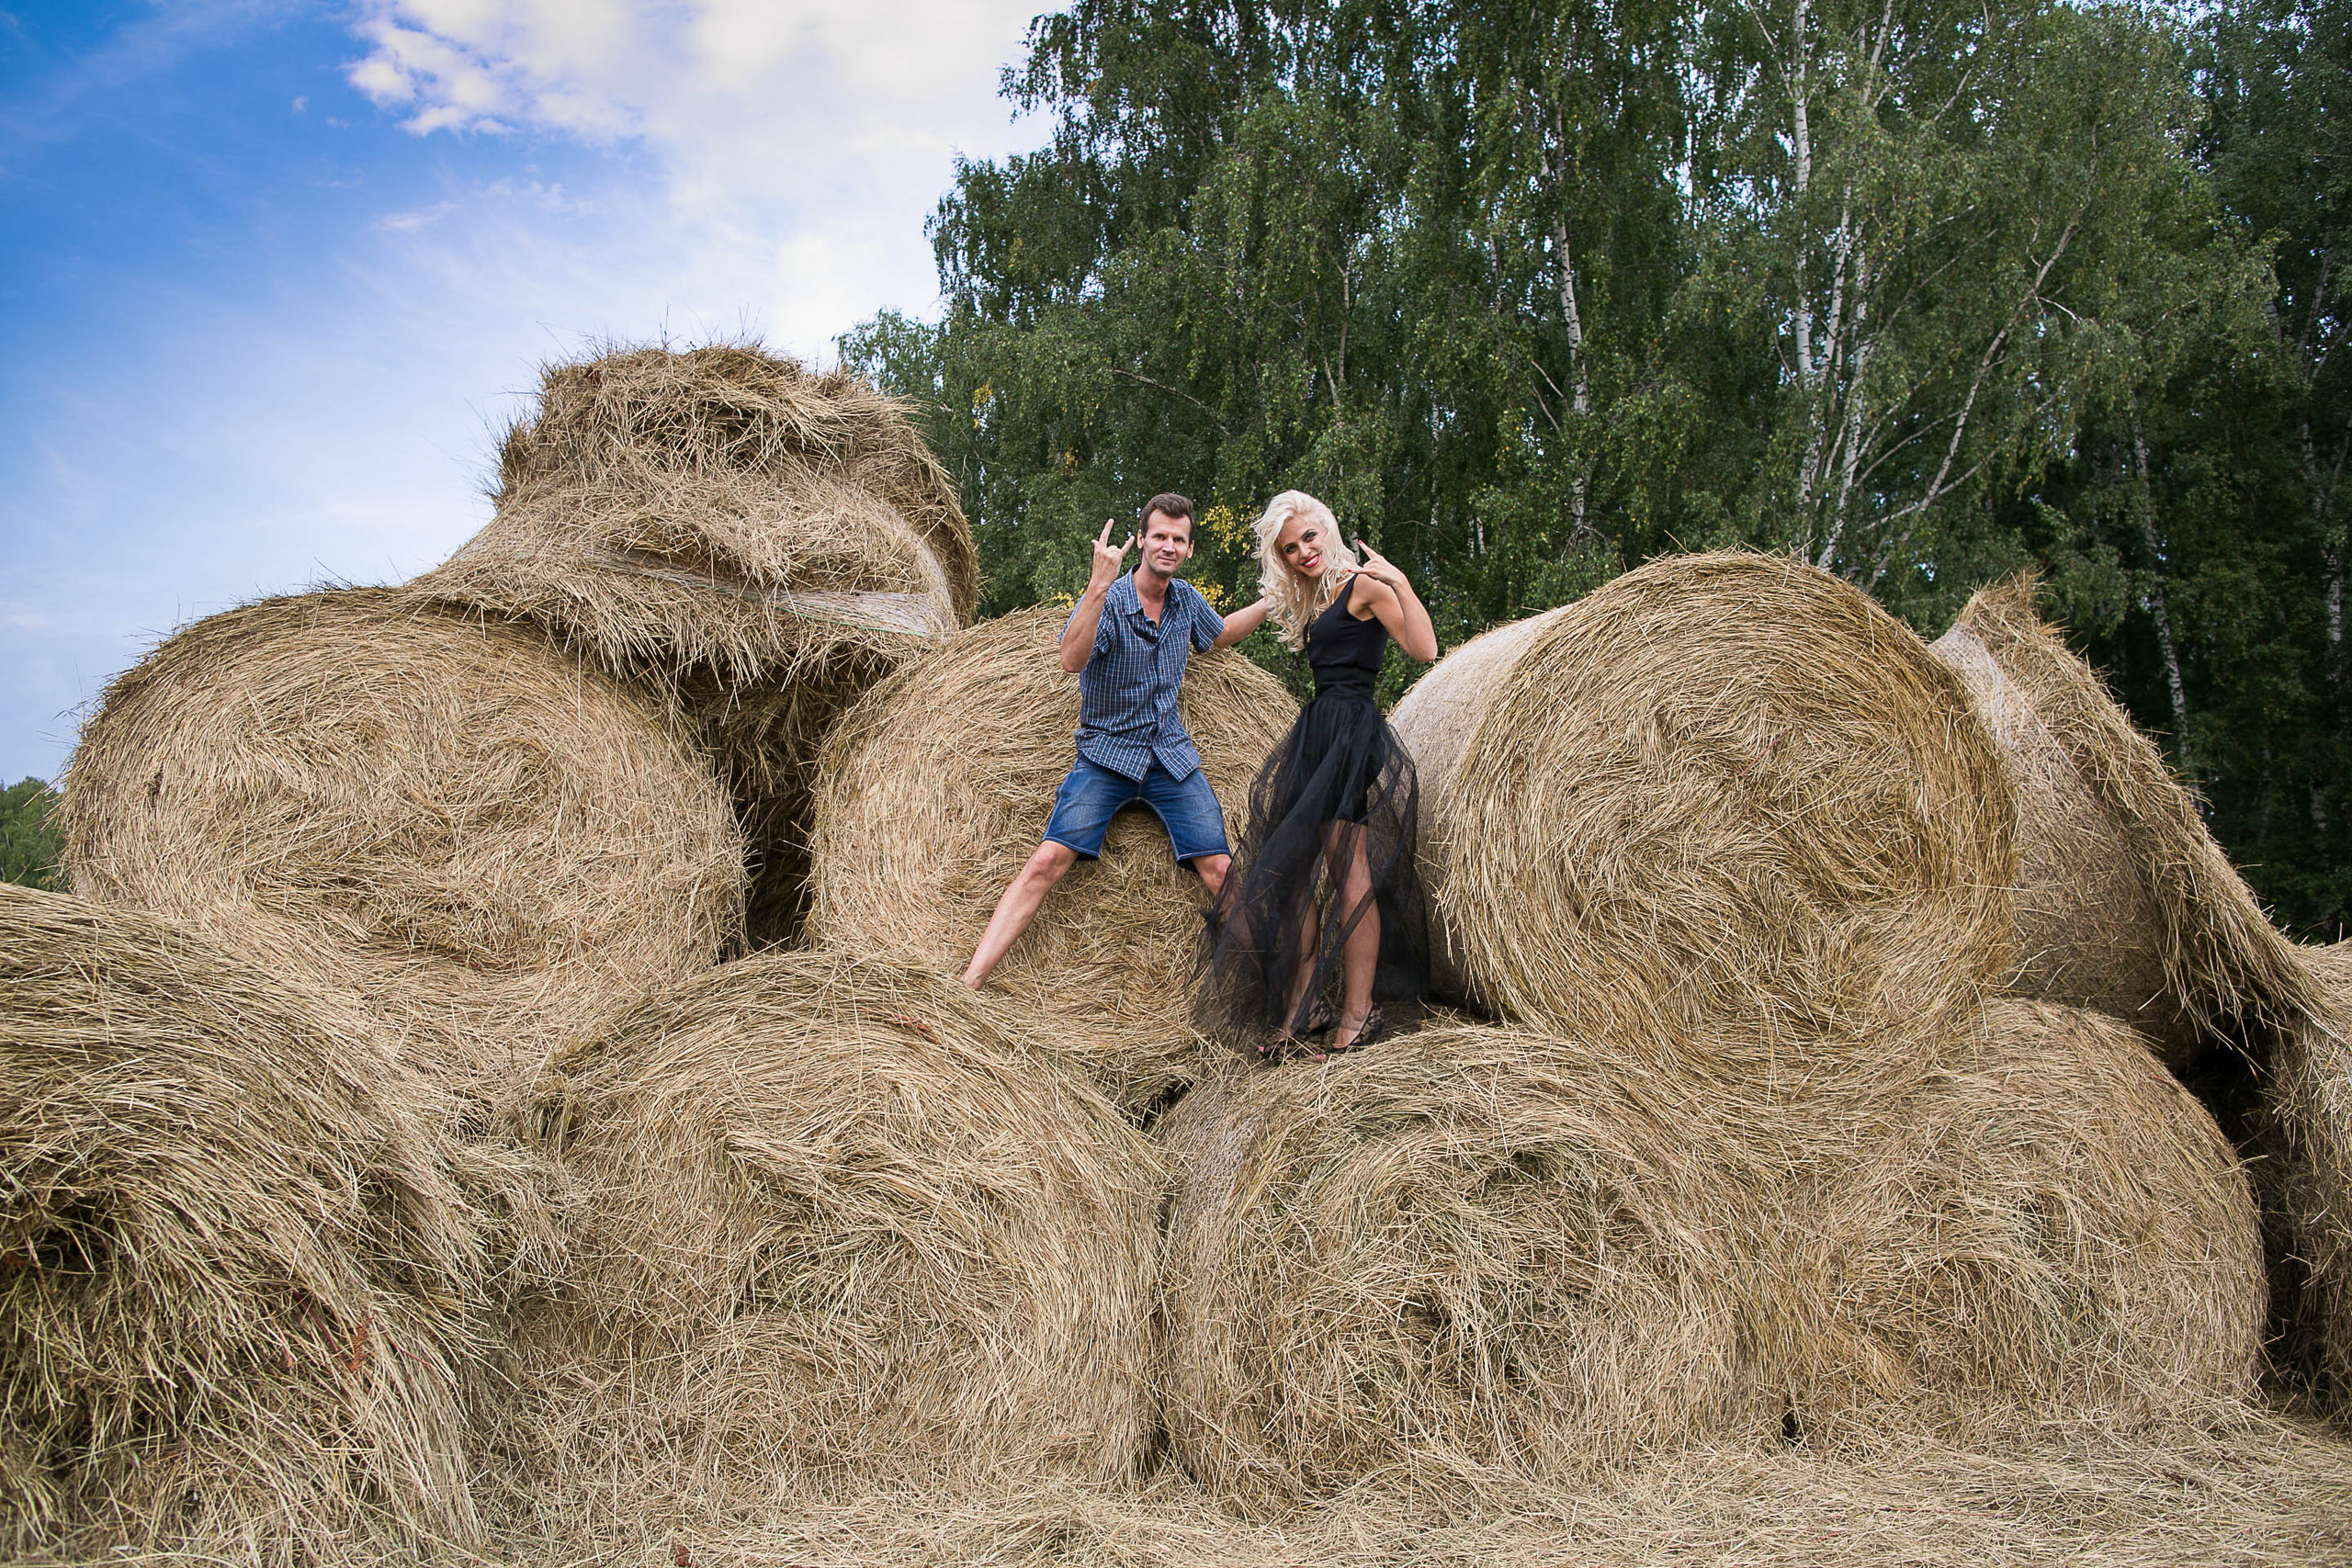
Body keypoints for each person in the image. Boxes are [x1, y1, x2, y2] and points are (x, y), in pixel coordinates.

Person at [959, 493, 1274, 991]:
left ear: (1189, 549)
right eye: (1160, 536)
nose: (1168, 546)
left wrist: (1271, 600)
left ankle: (1279, 998)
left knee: (1222, 871)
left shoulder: (1186, 602)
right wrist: (1096, 587)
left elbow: (1221, 634)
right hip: (1106, 756)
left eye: (1178, 539)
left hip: (1169, 758)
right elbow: (1071, 658)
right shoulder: (1111, 601)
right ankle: (969, 982)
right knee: (1046, 862)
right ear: (1143, 540)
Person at [1200, 490, 1438, 1060]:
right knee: (1296, 869)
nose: (1303, 551)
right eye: (1289, 547)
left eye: (1309, 537)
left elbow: (1424, 649)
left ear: (1326, 531)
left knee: (1348, 866)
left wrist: (1400, 580)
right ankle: (1305, 1006)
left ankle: (1357, 1014)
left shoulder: (1364, 587)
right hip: (1317, 735)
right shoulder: (1306, 596)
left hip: (1351, 733)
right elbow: (1226, 631)